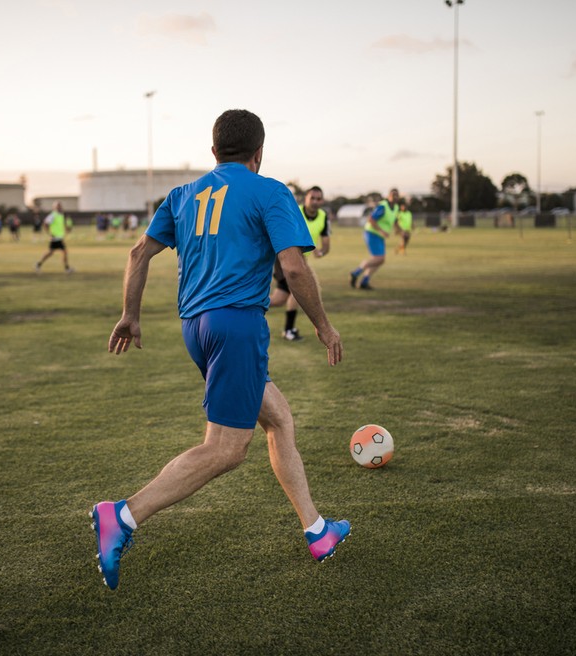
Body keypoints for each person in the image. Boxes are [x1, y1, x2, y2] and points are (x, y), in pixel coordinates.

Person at [92, 109, 349, 591]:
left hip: (196, 327)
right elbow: (293, 269)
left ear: (214, 152)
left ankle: (317, 531)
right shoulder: (270, 190)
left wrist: (131, 313)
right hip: (236, 325)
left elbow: (138, 254)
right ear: (259, 152)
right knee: (226, 449)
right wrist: (323, 325)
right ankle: (122, 516)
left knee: (277, 417)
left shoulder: (182, 195)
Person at [270, 185, 330, 341]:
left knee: (279, 299)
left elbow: (326, 244)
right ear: (306, 199)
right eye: (313, 198)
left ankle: (248, 304)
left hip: (300, 260)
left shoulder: (323, 216)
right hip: (284, 258)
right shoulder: (295, 211)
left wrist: (320, 251)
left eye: (319, 199)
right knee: (298, 290)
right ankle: (289, 330)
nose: (315, 202)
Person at [349, 188, 406, 290]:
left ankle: (364, 281)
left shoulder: (396, 208)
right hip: (372, 233)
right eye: (393, 195)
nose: (395, 197)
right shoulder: (383, 206)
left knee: (379, 260)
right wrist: (381, 231)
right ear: (389, 196)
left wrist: (401, 231)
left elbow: (395, 222)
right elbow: (371, 219)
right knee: (379, 258)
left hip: (379, 236)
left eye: (397, 195)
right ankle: (356, 272)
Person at [35, 202, 74, 273]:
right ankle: (67, 269)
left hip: (59, 237)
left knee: (52, 252)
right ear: (54, 207)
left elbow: (61, 225)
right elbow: (45, 223)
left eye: (60, 206)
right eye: (57, 206)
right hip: (55, 238)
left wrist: (67, 229)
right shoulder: (53, 215)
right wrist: (49, 233)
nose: (59, 207)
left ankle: (38, 264)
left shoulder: (61, 215)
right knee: (61, 252)